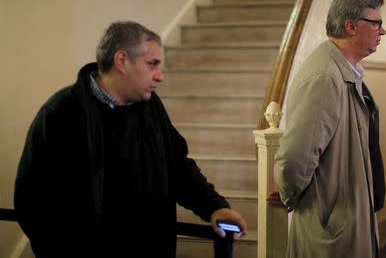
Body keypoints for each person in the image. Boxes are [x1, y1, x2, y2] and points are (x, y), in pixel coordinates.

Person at [14, 21, 248, 258]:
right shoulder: (60, 113)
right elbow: (31, 203)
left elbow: (177, 166)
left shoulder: (150, 105)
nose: (160, 76)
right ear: (122, 61)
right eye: (152, 64)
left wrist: (214, 207)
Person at [270, 0, 386, 257]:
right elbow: (296, 157)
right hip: (332, 225)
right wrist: (290, 193)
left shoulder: (344, 69)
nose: (382, 31)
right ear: (350, 26)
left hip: (345, 216)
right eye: (376, 23)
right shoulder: (325, 77)